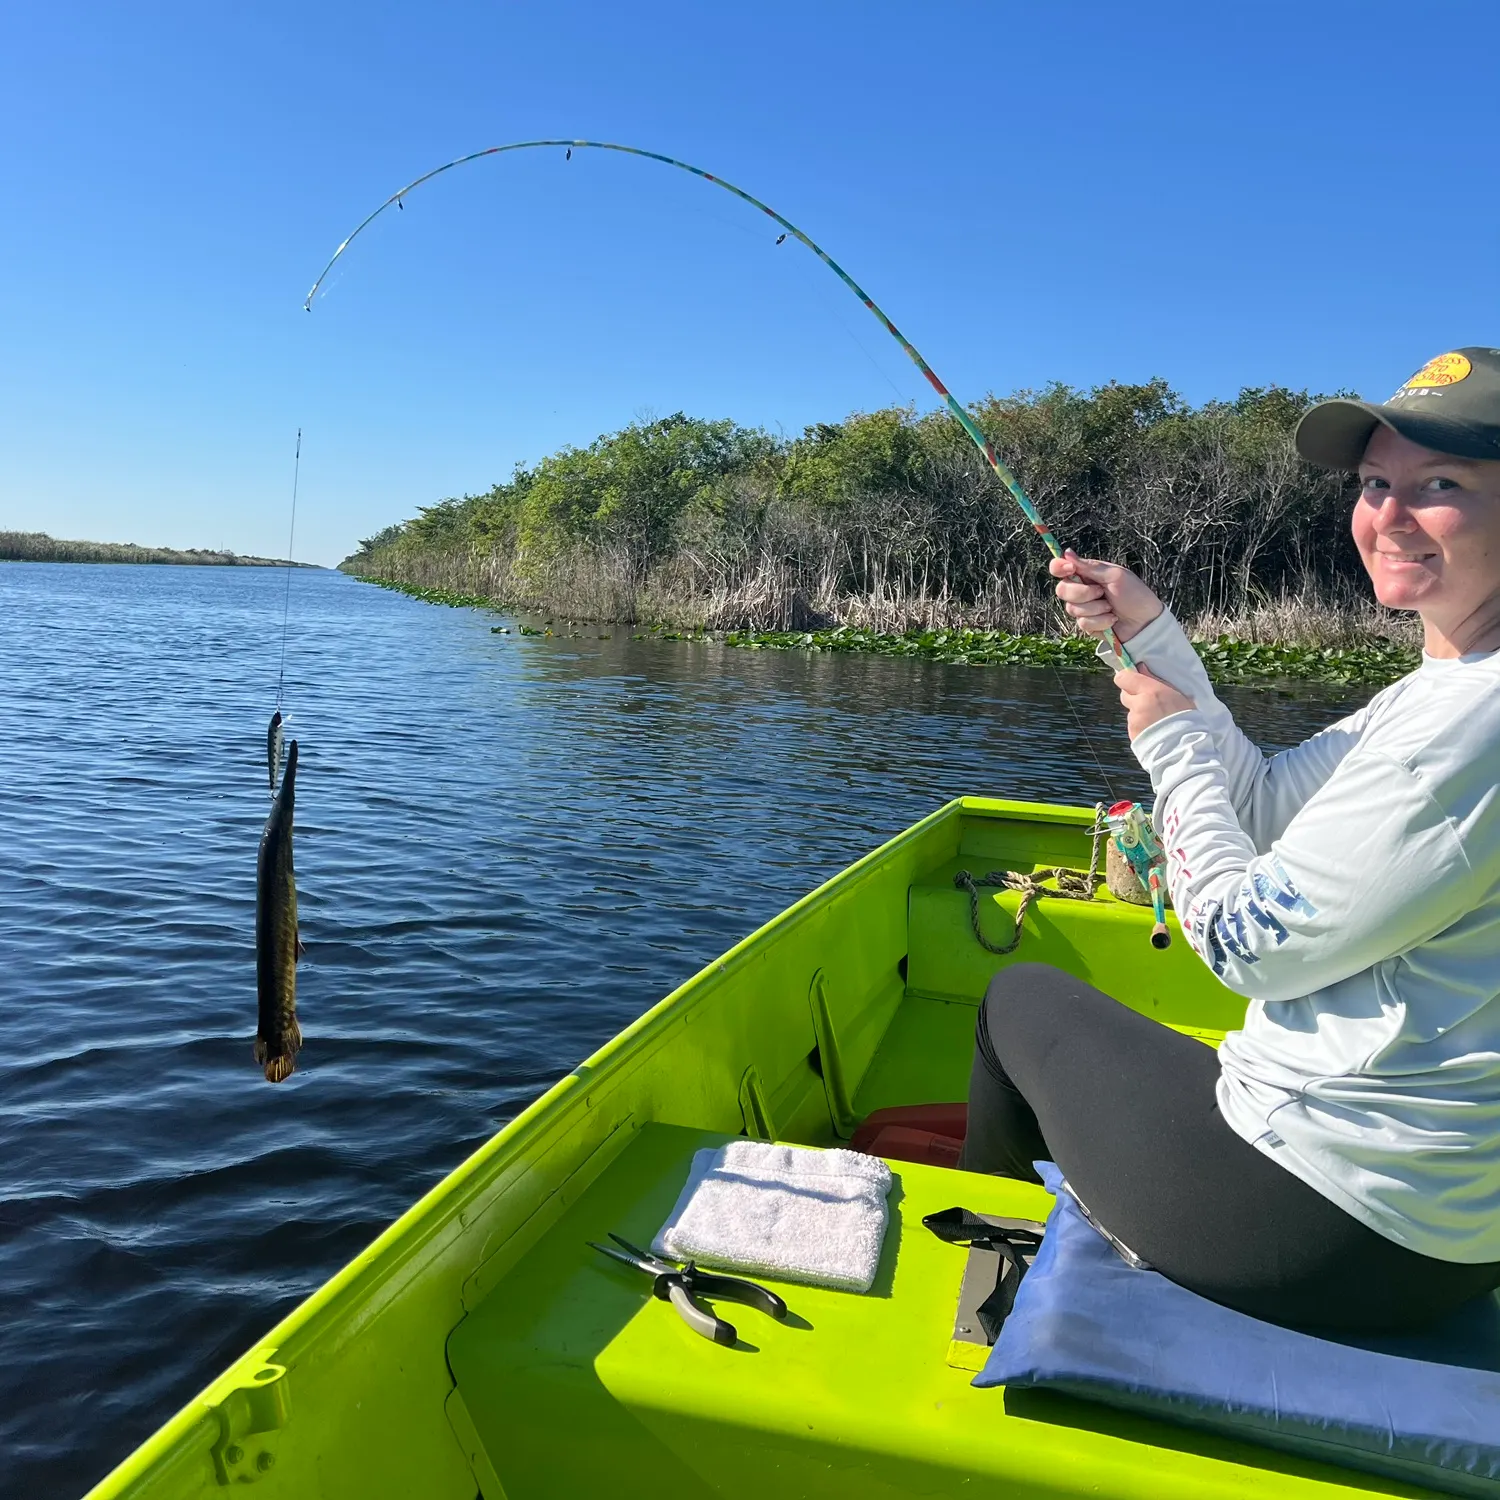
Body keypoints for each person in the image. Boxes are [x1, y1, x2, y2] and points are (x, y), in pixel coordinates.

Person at [959, 347, 1500, 1332]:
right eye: (1377, 482)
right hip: (1443, 1228)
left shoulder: (1468, 729)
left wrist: (1172, 742)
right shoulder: (1447, 692)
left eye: (1443, 485)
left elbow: (1244, 945)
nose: (1390, 514)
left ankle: (981, 1303)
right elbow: (1263, 808)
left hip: (1323, 1229)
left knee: (1016, 1001)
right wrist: (1156, 639)